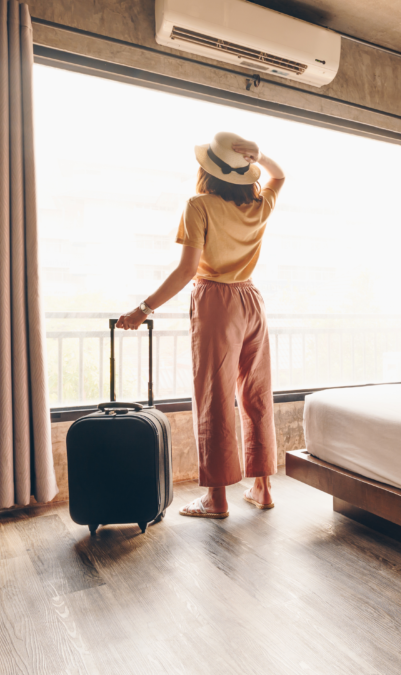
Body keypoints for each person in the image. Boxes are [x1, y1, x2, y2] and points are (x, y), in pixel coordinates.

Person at [116, 131, 286, 519]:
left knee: (215, 396)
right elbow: (279, 177)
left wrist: (144, 308)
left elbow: (186, 271)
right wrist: (261, 155)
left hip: (215, 301)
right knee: (257, 392)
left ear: (208, 169)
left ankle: (217, 498)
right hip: (251, 300)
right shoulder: (258, 205)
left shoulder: (198, 205)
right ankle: (262, 487)